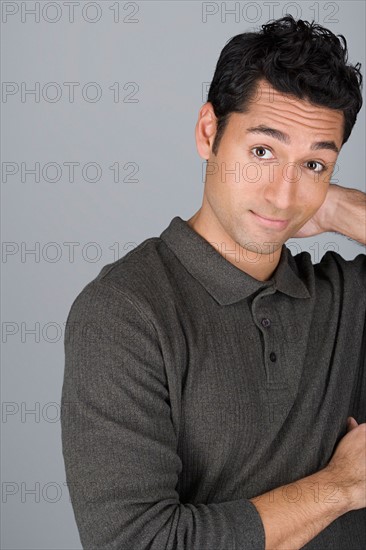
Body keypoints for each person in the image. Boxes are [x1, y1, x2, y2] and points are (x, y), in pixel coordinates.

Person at [61, 15, 366, 549]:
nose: (282, 194)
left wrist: (341, 210)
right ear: (209, 133)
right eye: (263, 151)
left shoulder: (347, 297)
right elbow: (137, 543)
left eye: (314, 164)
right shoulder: (124, 312)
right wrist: (340, 487)